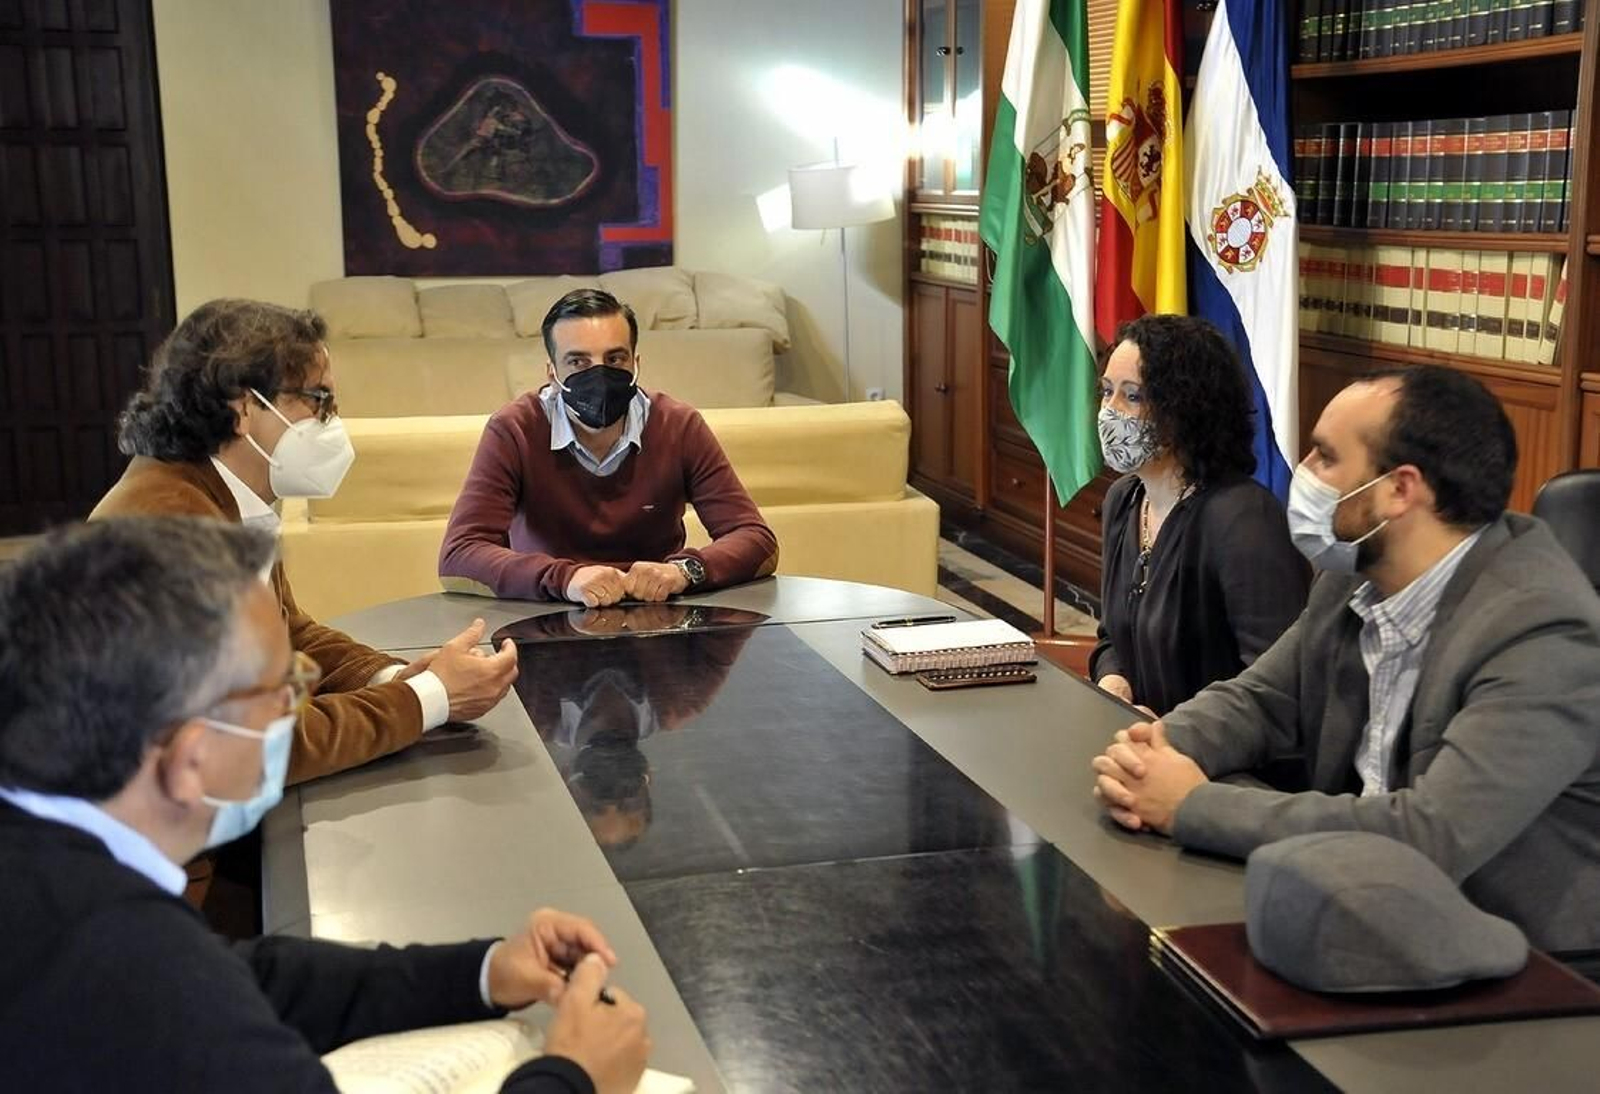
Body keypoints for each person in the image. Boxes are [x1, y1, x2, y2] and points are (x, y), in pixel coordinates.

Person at [0, 517, 649, 1093]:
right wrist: (573, 1075)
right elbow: (189, 993)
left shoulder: (57, 869)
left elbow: (242, 976)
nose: (294, 713)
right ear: (192, 756)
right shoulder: (121, 969)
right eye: (282, 692)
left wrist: (481, 972)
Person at [1090, 365, 1600, 954]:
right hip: (1359, 912)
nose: (1302, 474)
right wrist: (1155, 753)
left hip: (1525, 967)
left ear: (1400, 489)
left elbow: (1428, 835)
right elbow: (1259, 700)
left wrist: (1190, 805)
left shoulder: (1542, 631)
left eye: (1325, 457)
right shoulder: (1352, 575)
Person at [94, 299, 518, 786]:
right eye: (319, 400)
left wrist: (392, 679)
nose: (333, 420)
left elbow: (290, 633)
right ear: (244, 408)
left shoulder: (220, 497)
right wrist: (429, 699)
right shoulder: (166, 536)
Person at [438, 288, 779, 606]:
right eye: (578, 362)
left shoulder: (679, 426)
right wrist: (565, 578)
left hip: (658, 616)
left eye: (615, 359)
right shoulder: (515, 430)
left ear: (635, 364)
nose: (598, 375)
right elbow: (459, 554)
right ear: (552, 372)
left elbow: (756, 540)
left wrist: (683, 571)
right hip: (546, 617)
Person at [1090, 315, 1308, 715]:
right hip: (1138, 747)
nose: (1109, 412)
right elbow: (1112, 638)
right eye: (1106, 392)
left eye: (1132, 396)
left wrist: (1175, 734)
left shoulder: (1244, 519)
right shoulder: (1124, 500)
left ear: (1184, 408)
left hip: (1221, 764)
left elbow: (1277, 689)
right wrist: (1113, 681)